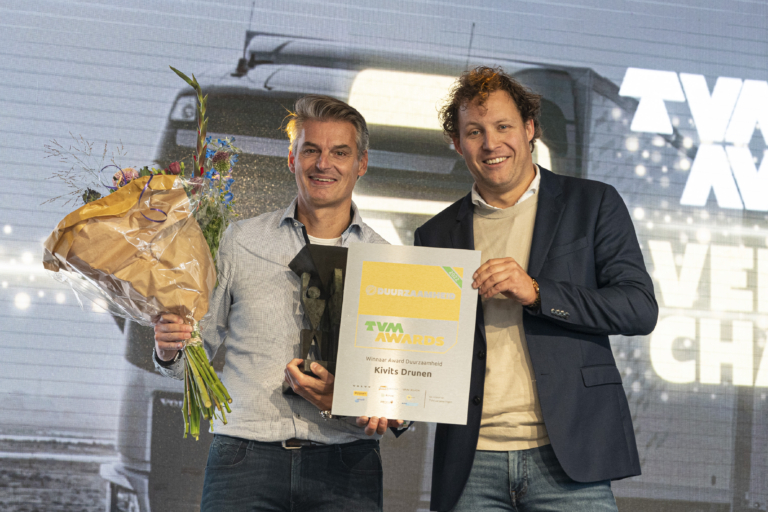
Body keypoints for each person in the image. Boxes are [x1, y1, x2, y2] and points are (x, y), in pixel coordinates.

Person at [414, 67, 658, 511]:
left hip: (569, 458)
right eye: (474, 132)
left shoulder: (593, 203)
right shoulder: (434, 234)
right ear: (457, 143)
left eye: (503, 126)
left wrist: (539, 292)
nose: (491, 144)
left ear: (529, 129)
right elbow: (423, 348)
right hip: (471, 462)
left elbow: (638, 308)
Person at [153, 94, 404, 512]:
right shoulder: (239, 240)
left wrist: (394, 407)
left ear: (361, 163)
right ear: (291, 158)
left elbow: (405, 381)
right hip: (244, 457)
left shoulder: (390, 261)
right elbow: (194, 357)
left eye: (340, 153)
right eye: (311, 150)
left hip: (346, 460)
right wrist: (169, 349)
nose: (323, 164)